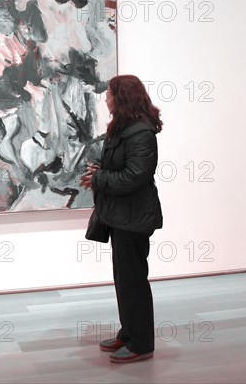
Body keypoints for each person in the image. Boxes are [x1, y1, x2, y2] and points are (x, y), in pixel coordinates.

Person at [80, 74, 163, 364]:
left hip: (134, 218)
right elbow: (121, 168)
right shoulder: (123, 128)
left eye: (110, 93)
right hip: (121, 216)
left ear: (122, 97)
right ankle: (129, 333)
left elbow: (135, 177)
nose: (106, 97)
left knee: (133, 281)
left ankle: (142, 344)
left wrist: (100, 177)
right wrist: (98, 172)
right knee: (123, 279)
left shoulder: (141, 133)